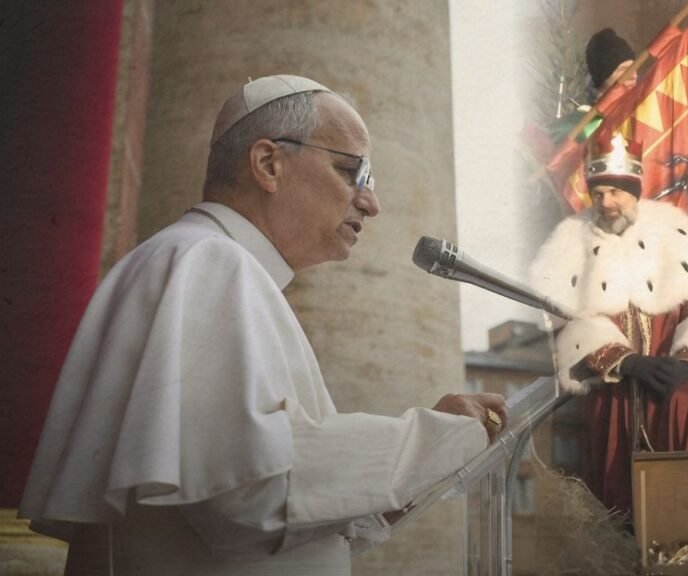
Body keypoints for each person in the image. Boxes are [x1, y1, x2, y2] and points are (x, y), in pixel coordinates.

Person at [18, 75, 508, 575]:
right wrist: (436, 438)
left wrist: (393, 487)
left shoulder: (198, 259)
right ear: (269, 164)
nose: (370, 202)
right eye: (351, 171)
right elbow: (247, 491)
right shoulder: (209, 261)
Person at [529, 131, 688, 515]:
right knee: (619, 469)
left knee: (685, 405)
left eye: (616, 192)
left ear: (634, 192)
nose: (606, 202)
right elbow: (566, 318)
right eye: (598, 194)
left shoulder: (678, 235)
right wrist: (625, 362)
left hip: (674, 376)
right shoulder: (570, 244)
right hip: (615, 382)